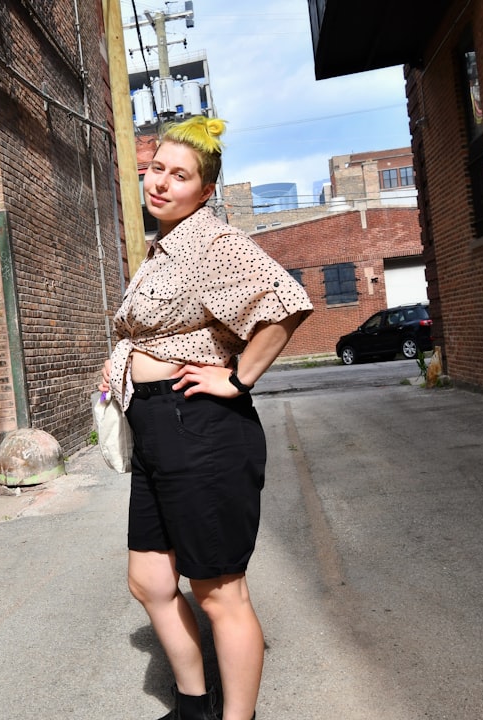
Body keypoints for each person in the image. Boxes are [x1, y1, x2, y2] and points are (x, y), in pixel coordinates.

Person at [98, 115, 313, 720]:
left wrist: (239, 377)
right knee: (150, 582)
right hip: (158, 431)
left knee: (218, 593)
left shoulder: (213, 242)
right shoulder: (163, 250)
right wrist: (123, 362)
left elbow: (284, 306)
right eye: (156, 169)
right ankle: (195, 704)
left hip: (202, 430)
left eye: (179, 175)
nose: (161, 183)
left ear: (205, 190)